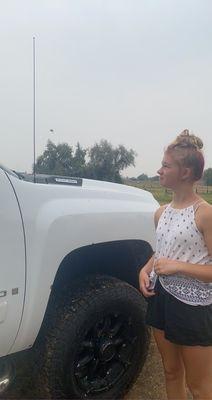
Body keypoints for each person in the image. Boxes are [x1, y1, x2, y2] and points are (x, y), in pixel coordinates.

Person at [139, 129, 212, 400]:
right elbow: (163, 252)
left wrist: (178, 267)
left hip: (194, 308)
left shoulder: (204, 214)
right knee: (171, 372)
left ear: (185, 172)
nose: (159, 170)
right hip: (161, 298)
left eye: (166, 165)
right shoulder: (161, 213)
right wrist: (145, 269)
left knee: (199, 385)